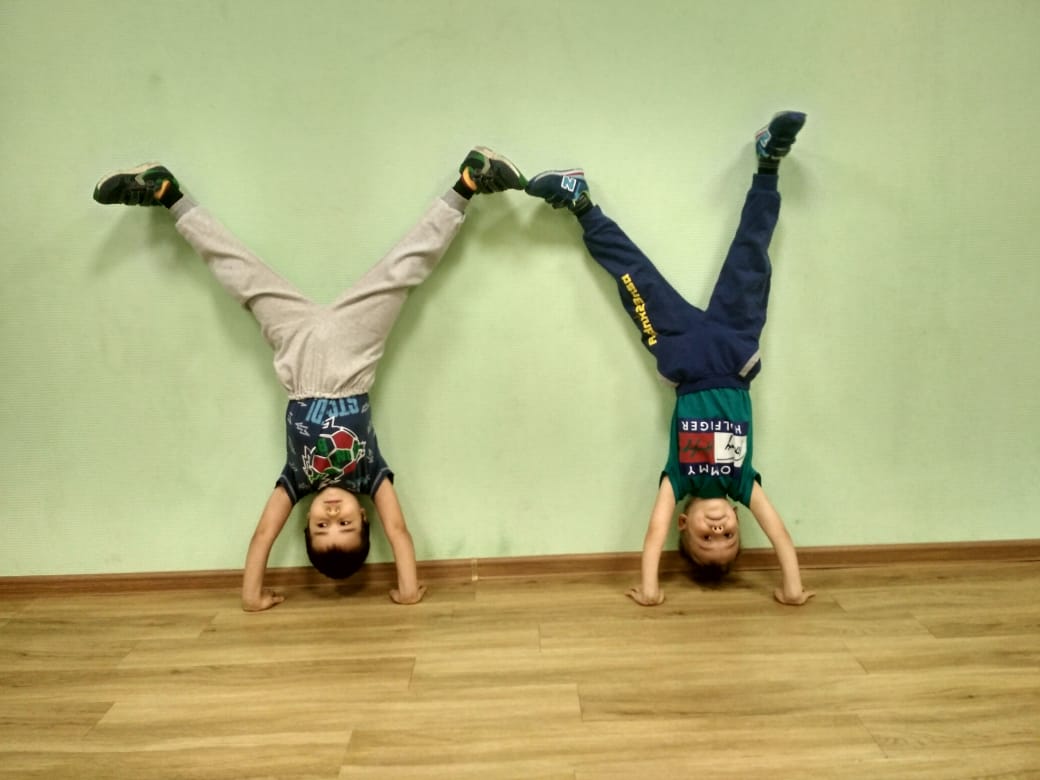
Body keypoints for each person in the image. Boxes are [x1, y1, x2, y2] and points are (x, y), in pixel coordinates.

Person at [93, 148, 526, 611]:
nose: (332, 516)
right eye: (346, 525)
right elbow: (399, 532)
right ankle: (469, 181)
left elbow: (263, 535)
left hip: (295, 350)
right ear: (365, 518)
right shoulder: (371, 474)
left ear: (305, 522)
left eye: (321, 527)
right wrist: (406, 591)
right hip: (355, 351)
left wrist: (251, 597)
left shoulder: (294, 481)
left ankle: (166, 193)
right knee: (403, 270)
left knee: (238, 272)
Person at [524, 112, 814, 606]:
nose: (718, 529)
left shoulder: (678, 480)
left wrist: (651, 588)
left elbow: (654, 532)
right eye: (729, 536)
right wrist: (792, 590)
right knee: (752, 258)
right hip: (735, 355)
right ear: (739, 520)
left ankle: (580, 202)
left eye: (706, 537)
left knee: (633, 276)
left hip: (683, 360)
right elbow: (781, 534)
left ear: (685, 522)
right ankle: (769, 164)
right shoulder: (743, 483)